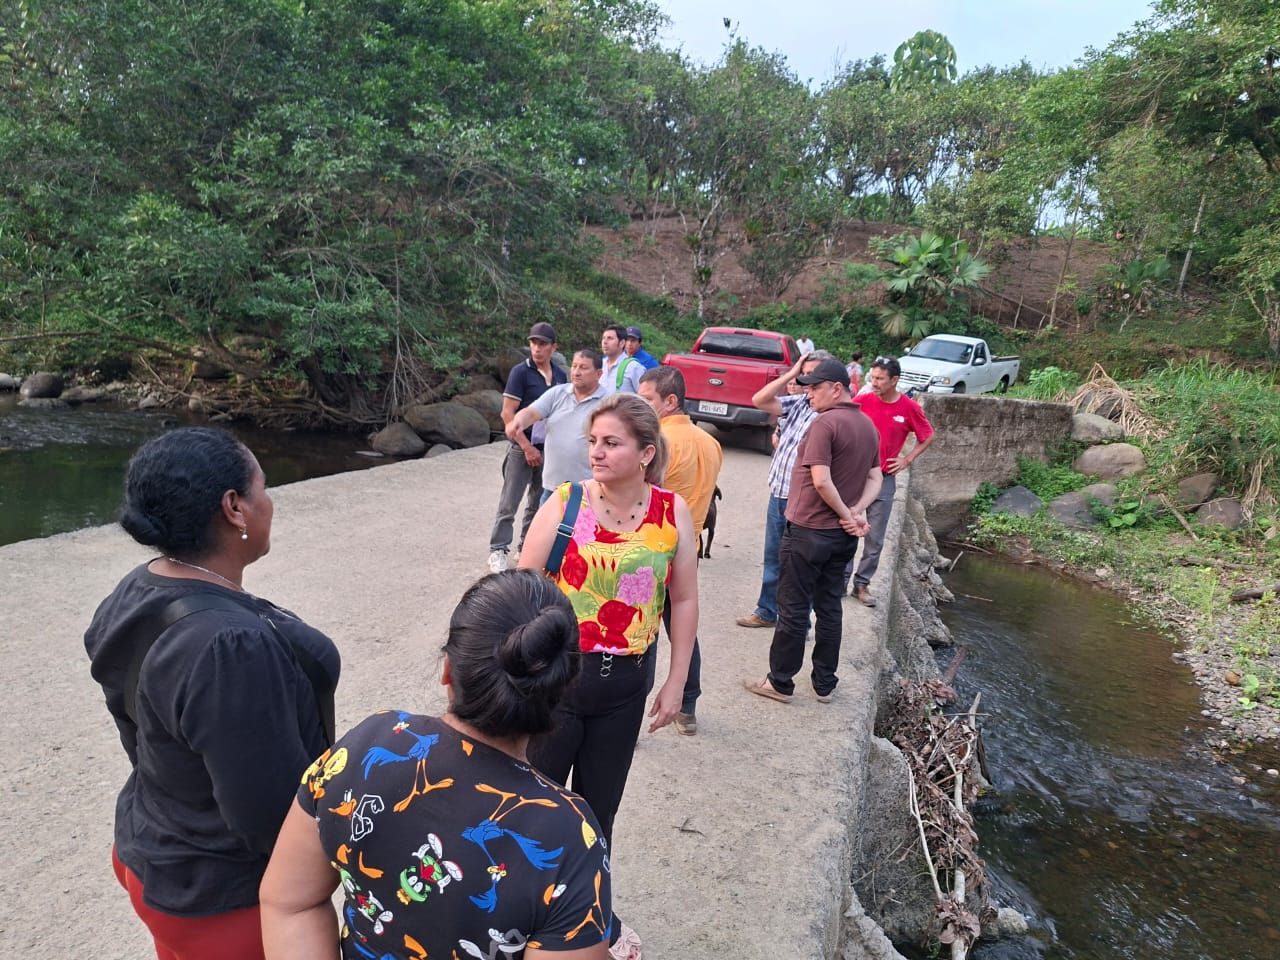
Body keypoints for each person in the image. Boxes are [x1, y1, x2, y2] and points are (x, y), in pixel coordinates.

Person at [260, 571, 612, 960]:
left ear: (447, 669)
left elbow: (291, 904)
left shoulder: (367, 746)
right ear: (558, 693)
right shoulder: (567, 838)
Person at [84, 427, 340, 960]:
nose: (269, 501)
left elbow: (138, 722)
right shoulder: (230, 648)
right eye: (263, 487)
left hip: (152, 847)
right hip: (222, 899)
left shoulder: (141, 585)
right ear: (234, 508)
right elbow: (266, 813)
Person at [518, 392, 698, 960]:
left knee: (599, 811)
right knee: (535, 804)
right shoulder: (565, 502)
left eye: (611, 443)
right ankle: (519, 911)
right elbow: (520, 589)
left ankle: (588, 913)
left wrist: (676, 681)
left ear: (646, 453)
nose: (595, 451)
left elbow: (683, 600)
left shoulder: (672, 512)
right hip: (556, 684)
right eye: (593, 441)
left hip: (625, 687)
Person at [743, 358, 881, 704]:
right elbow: (875, 477)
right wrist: (855, 512)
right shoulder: (867, 425)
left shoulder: (825, 423)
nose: (809, 395)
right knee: (830, 606)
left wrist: (847, 513)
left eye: (815, 388)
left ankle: (779, 682)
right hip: (841, 537)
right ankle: (824, 684)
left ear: (837, 388)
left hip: (809, 531)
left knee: (792, 606)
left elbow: (820, 480)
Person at [637, 366, 723, 736]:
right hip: (690, 545)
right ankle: (687, 706)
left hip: (652, 548)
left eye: (647, 400)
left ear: (670, 401)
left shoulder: (657, 442)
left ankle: (627, 714)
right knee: (682, 629)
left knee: (641, 631)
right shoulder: (711, 443)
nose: (640, 406)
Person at [734, 350, 835, 629]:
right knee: (773, 557)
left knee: (801, 564)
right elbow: (759, 400)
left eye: (814, 375)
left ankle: (800, 622)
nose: (807, 380)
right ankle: (767, 611)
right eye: (805, 374)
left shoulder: (829, 414)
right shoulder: (801, 402)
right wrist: (792, 373)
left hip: (805, 499)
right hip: (779, 493)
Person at [846, 356, 935, 607]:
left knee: (875, 536)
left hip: (884, 478)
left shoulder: (909, 408)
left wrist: (907, 459)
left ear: (894, 380)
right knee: (848, 527)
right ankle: (839, 581)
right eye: (872, 377)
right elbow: (843, 422)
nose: (874, 382)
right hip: (855, 475)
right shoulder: (863, 400)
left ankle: (861, 584)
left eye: (880, 379)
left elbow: (928, 436)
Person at [488, 321, 569, 573]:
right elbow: (507, 413)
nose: (537, 348)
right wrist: (526, 447)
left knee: (537, 502)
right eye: (533, 343)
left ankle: (526, 546)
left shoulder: (560, 376)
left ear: (553, 347)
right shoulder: (520, 372)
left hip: (548, 449)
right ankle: (498, 549)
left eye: (543, 344)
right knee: (509, 502)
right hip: (521, 447)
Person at [506, 350, 607, 504]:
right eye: (574, 366)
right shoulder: (557, 393)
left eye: (583, 368)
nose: (576, 372)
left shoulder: (608, 402)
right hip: (551, 488)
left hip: (586, 491)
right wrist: (518, 422)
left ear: (598, 374)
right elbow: (531, 412)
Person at [600, 324, 643, 394]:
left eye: (610, 338)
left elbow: (645, 395)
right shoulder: (599, 364)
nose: (605, 342)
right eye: (603, 338)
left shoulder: (633, 367)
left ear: (622, 343)